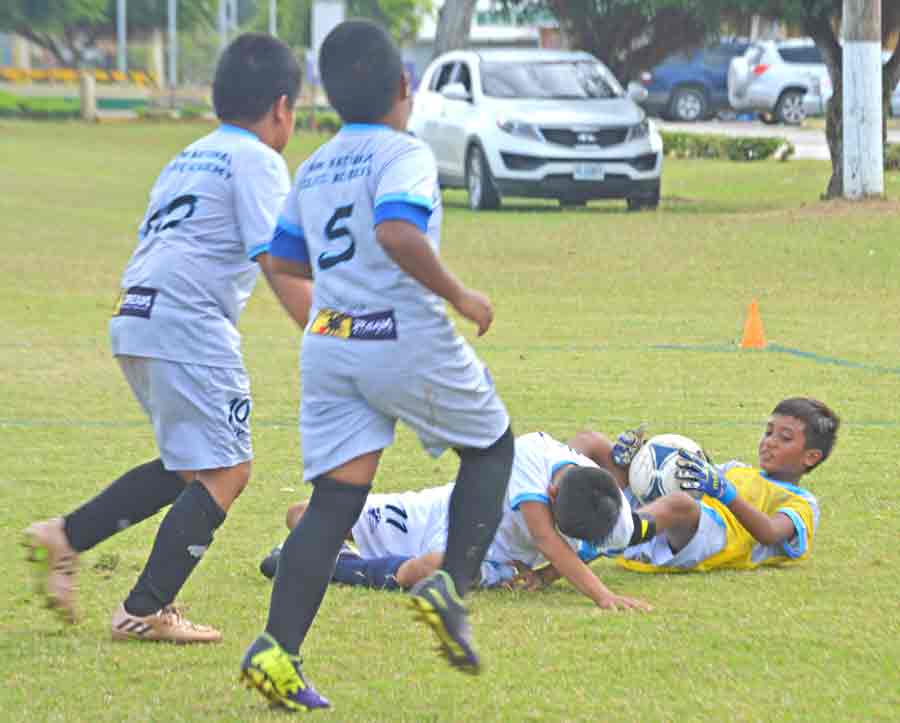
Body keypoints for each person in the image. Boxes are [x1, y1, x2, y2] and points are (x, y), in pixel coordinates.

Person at [238, 20, 515, 712]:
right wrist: (460, 294)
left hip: (331, 344)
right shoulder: (404, 152)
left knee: (334, 503)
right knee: (491, 446)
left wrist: (332, 319)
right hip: (402, 333)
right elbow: (396, 230)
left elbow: (283, 260)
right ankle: (451, 584)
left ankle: (275, 650)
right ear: (403, 86)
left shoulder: (315, 165)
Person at [22, 33, 301, 643]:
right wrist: (327, 328)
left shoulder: (189, 156)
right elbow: (277, 259)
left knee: (189, 466)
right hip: (187, 322)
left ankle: (64, 538)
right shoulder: (258, 160)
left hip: (136, 313)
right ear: (282, 107)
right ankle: (143, 610)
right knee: (227, 471)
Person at [258, 432, 655, 612]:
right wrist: (603, 596)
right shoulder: (529, 457)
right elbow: (546, 540)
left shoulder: (613, 514)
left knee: (431, 567)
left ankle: (337, 567)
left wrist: (545, 577)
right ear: (551, 493)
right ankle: (328, 557)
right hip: (442, 510)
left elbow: (586, 548)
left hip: (487, 558)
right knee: (302, 515)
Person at [514, 398, 839, 587]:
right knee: (592, 442)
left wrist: (726, 494)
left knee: (681, 503)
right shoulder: (737, 469)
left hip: (706, 539)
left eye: (784, 438)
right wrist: (633, 460)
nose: (769, 442)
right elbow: (675, 475)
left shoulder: (801, 503)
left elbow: (768, 533)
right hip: (659, 520)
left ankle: (584, 546)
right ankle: (554, 503)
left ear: (811, 457)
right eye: (768, 432)